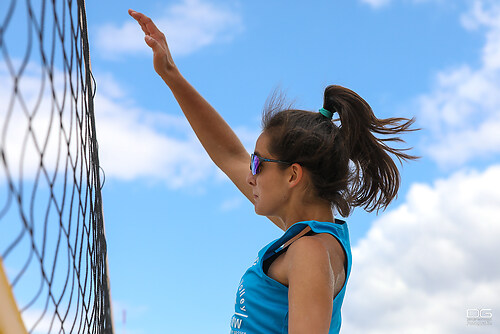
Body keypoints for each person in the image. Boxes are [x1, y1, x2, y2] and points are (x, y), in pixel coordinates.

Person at [128, 9, 418, 334]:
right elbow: (228, 154)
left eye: (258, 164)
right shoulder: (307, 237)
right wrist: (171, 74)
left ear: (293, 176)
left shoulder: (310, 251)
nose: (250, 174)